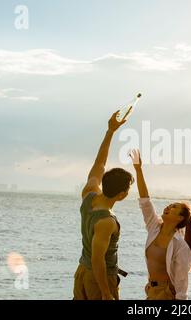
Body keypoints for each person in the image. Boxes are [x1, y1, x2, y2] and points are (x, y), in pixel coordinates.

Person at [73, 111, 134, 300]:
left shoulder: (89, 192)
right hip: (98, 279)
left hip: (82, 272)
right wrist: (106, 293)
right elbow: (98, 260)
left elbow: (100, 163)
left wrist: (110, 131)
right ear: (122, 195)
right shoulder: (107, 221)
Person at [129, 149, 191, 300]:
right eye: (170, 204)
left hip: (167, 294)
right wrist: (138, 169)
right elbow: (145, 201)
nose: (169, 207)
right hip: (150, 290)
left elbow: (182, 282)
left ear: (180, 218)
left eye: (174, 207)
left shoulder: (181, 246)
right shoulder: (154, 227)